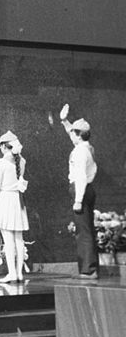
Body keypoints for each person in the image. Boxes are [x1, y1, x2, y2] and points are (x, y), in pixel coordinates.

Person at [59, 104, 98, 280]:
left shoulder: (81, 152)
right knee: (86, 229)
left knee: (83, 231)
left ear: (78, 135)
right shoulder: (85, 147)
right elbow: (71, 132)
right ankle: (89, 267)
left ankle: (88, 269)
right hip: (87, 189)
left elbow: (81, 176)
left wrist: (78, 199)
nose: (70, 135)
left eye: (73, 133)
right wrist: (64, 120)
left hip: (81, 189)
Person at [0, 131, 29, 283]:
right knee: (19, 238)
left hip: (6, 200)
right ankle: (19, 273)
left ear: (4, 147)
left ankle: (12, 273)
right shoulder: (22, 162)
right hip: (18, 200)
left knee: (8, 239)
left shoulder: (0, 164)